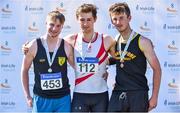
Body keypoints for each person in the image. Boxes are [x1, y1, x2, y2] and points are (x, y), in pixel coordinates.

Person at [107, 2, 162, 112]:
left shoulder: (143, 41)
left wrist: (154, 97)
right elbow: (119, 59)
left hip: (138, 93)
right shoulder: (115, 40)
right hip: (118, 93)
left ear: (129, 18)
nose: (118, 22)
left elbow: (157, 69)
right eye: (115, 19)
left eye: (121, 18)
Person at [64, 3, 116, 112]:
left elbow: (121, 57)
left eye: (89, 19)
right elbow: (50, 44)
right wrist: (27, 46)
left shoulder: (106, 39)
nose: (85, 23)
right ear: (77, 19)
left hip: (100, 95)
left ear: (95, 19)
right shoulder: (70, 40)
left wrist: (105, 65)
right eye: (82, 20)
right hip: (80, 95)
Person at [21, 10, 74, 112]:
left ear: (62, 27)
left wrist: (103, 67)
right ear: (46, 24)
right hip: (41, 98)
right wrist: (27, 96)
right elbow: (24, 70)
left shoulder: (66, 46)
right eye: (52, 25)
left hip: (62, 99)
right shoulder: (33, 45)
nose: (54, 29)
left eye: (58, 26)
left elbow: (78, 67)